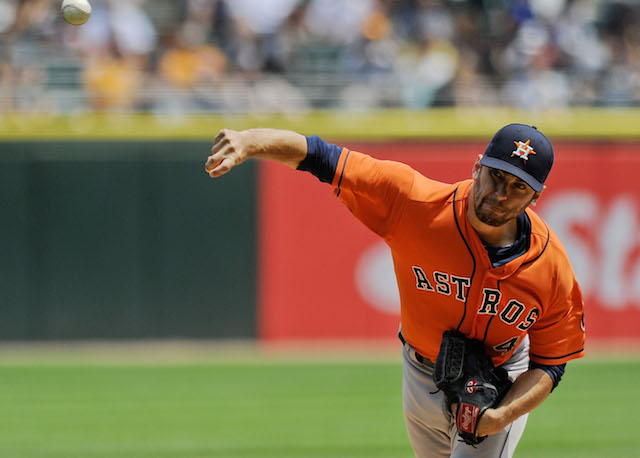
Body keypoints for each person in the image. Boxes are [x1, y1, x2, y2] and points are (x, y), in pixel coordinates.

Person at [204, 124, 586, 458]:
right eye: (496, 176)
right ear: (477, 167)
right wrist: (250, 141)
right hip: (421, 373)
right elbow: (320, 155)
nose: (501, 193)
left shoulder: (551, 266)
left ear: (535, 197)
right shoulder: (414, 201)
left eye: (518, 187)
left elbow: (551, 363)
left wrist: (500, 416)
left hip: (500, 379)